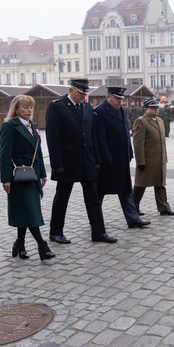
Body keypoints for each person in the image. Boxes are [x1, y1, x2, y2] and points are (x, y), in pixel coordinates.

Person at [45, 78, 116, 245]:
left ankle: (98, 231)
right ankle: (55, 232)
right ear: (71, 90)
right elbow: (52, 138)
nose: (84, 97)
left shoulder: (86, 107)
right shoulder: (57, 107)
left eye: (85, 94)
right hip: (67, 160)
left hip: (87, 160)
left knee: (93, 197)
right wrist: (56, 164)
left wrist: (97, 158)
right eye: (80, 93)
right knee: (62, 196)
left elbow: (92, 135)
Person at [0, 95, 54, 261]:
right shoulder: (10, 126)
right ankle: (42, 246)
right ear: (16, 109)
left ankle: (20, 244)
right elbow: (5, 154)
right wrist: (5, 179)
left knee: (27, 209)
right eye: (25, 107)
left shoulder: (33, 126)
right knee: (30, 210)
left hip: (33, 174)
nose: (29, 110)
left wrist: (43, 174)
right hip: (18, 175)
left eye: (31, 107)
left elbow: (39, 153)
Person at [93, 86, 151, 229]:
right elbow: (100, 137)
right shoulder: (99, 112)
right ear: (108, 97)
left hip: (122, 158)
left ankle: (132, 218)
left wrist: (129, 151)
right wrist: (106, 157)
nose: (120, 102)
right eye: (117, 99)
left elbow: (126, 133)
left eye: (121, 99)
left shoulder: (122, 111)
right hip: (108, 160)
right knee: (100, 191)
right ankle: (95, 220)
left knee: (125, 190)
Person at [132, 98, 174, 216]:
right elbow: (138, 144)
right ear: (147, 109)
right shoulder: (141, 121)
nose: (156, 109)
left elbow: (162, 142)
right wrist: (140, 161)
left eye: (157, 107)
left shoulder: (160, 120)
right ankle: (132, 207)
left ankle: (164, 208)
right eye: (153, 108)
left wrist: (165, 157)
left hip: (159, 160)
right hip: (147, 161)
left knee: (160, 184)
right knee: (140, 185)